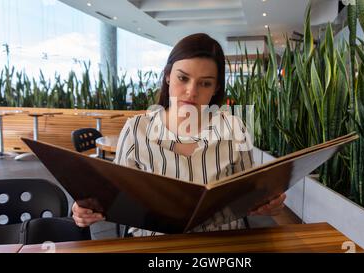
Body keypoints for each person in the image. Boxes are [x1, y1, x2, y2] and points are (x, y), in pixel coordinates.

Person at [72, 33, 286, 236]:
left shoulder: (234, 129)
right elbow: (116, 198)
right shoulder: (137, 128)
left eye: (205, 83)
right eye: (183, 78)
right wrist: (89, 208)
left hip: (219, 245)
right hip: (156, 245)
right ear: (167, 76)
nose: (192, 91)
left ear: (216, 87)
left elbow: (248, 196)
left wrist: (267, 204)